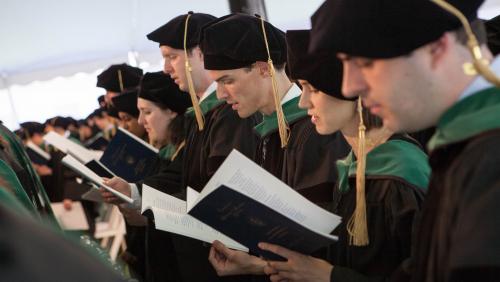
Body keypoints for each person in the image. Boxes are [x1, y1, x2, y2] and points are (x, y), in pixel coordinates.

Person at [207, 28, 429, 282]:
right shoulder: (354, 167)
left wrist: (331, 277)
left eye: (313, 89)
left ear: (351, 89)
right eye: (302, 88)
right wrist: (259, 265)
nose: (303, 102)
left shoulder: (398, 176)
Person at [309, 0, 500, 281]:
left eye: (365, 62)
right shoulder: (464, 144)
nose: (349, 87)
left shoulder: (490, 158)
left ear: (437, 48)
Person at [143, 12, 259, 282]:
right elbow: (184, 175)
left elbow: (221, 188)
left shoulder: (230, 112)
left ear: (200, 54)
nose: (166, 68)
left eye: (172, 56)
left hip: (226, 259)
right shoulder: (201, 113)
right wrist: (138, 196)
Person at [200, 13, 349, 209]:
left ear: (263, 68)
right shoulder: (265, 129)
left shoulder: (315, 129)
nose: (220, 95)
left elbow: (322, 222)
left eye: (227, 81)